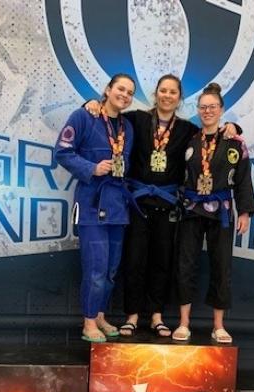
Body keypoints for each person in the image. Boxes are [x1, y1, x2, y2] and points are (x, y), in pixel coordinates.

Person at [85, 75, 239, 338]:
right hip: (137, 203)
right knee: (134, 260)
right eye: (163, 91)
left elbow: (211, 136)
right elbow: (110, 116)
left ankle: (156, 315)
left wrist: (233, 127)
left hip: (168, 205)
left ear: (179, 98)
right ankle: (132, 315)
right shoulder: (136, 119)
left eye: (173, 92)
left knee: (162, 261)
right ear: (156, 94)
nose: (167, 96)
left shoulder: (187, 130)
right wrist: (91, 103)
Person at [55, 74, 136, 342]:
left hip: (118, 205)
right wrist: (92, 168)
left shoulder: (127, 127)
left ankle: (100, 315)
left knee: (111, 270)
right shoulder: (84, 116)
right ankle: (88, 322)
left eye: (130, 92)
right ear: (108, 89)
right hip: (91, 204)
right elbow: (62, 152)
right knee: (96, 268)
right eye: (120, 89)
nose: (124, 95)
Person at [173, 83, 254, 344]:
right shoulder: (189, 139)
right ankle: (183, 323)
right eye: (203, 107)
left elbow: (243, 179)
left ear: (221, 110)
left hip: (222, 211)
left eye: (212, 107)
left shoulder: (235, 142)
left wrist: (245, 211)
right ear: (198, 110)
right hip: (191, 208)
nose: (207, 111)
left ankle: (218, 325)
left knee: (222, 266)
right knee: (185, 264)